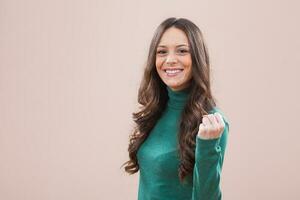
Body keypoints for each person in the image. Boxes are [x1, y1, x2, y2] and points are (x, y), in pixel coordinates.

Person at [122, 17, 230, 200]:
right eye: (162, 52)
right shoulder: (155, 112)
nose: (170, 60)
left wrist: (208, 146)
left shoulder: (213, 123)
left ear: (197, 58)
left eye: (182, 51)